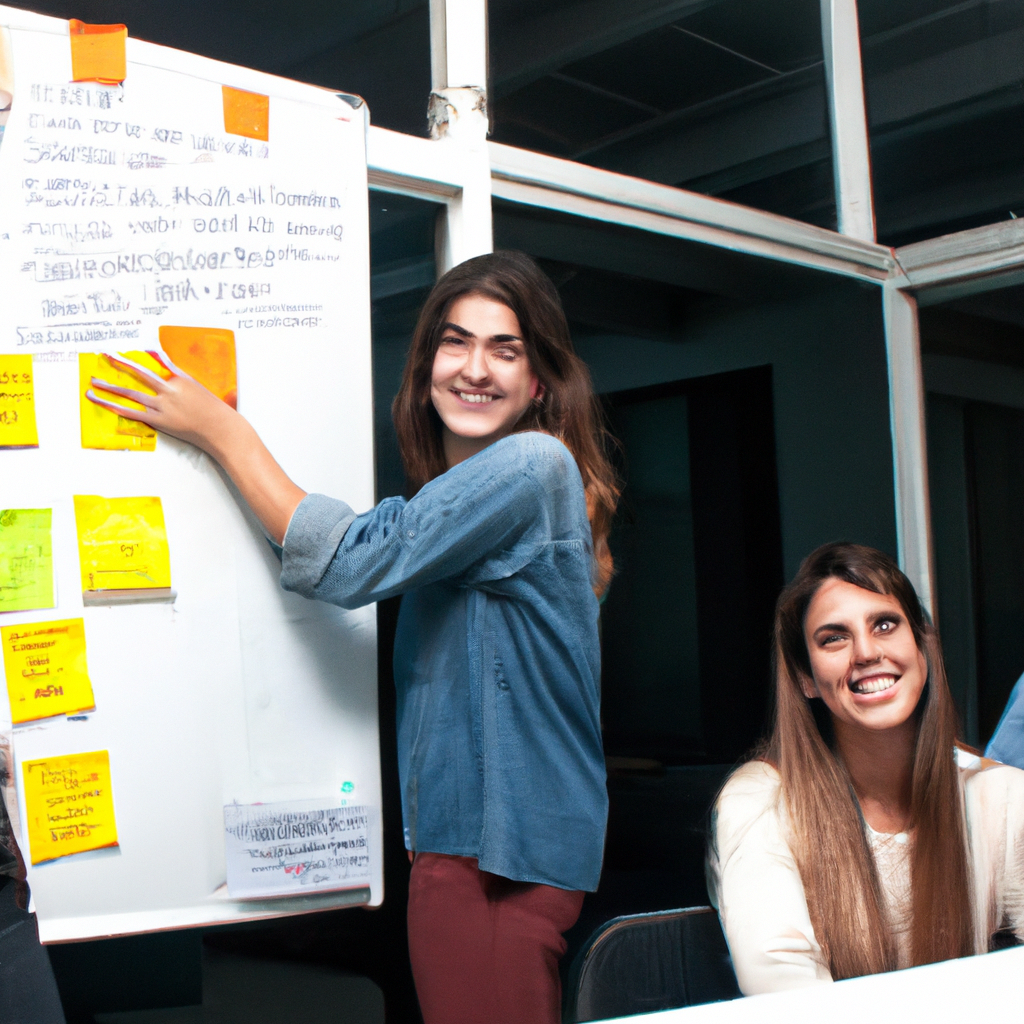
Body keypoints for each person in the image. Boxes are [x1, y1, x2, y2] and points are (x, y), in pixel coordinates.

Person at [86, 250, 619, 1024]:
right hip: (468, 854)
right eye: (455, 342)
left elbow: (347, 561)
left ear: (539, 382)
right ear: (427, 361)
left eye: (505, 350)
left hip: (494, 864)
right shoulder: (464, 502)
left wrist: (224, 432)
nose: (475, 368)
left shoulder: (533, 467)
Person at [707, 542, 1024, 995]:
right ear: (805, 677)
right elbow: (784, 999)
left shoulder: (1001, 794)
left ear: (922, 647)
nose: (866, 651)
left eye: (885, 625)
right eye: (834, 637)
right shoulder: (759, 803)